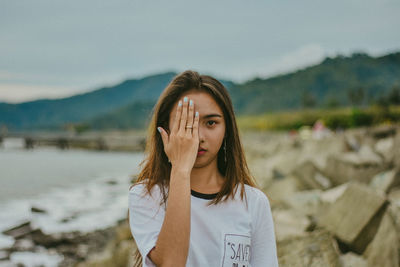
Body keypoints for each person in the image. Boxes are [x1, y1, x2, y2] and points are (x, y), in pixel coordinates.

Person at [128, 70, 278, 267]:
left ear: (227, 130)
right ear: (165, 131)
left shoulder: (253, 202)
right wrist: (181, 169)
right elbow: (171, 264)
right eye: (186, 123)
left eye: (211, 123)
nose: (198, 136)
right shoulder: (146, 196)